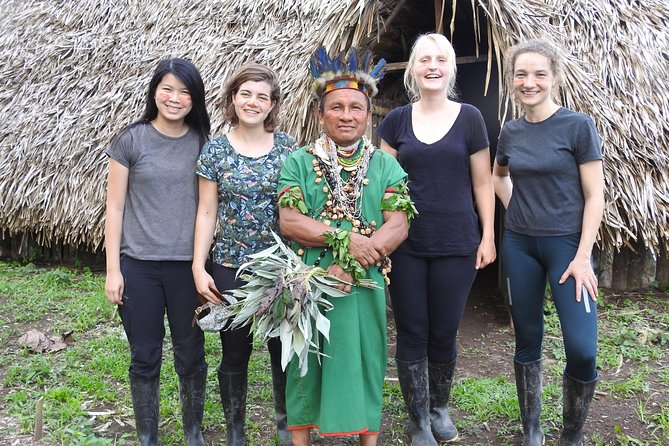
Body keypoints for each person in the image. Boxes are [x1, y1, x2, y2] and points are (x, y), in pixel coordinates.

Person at [277, 47, 414, 446]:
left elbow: (399, 223)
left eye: (356, 107)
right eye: (336, 107)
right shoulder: (300, 162)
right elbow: (291, 221)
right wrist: (343, 237)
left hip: (365, 284)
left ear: (369, 115)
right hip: (309, 281)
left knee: (366, 359)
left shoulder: (385, 166)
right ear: (321, 115)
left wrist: (352, 263)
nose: (347, 115)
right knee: (305, 363)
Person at [376, 33, 496, 445]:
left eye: (440, 59)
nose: (432, 66)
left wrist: (488, 236)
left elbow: (483, 183)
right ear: (412, 69)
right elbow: (382, 189)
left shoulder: (471, 119)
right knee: (412, 329)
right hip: (404, 245)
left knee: (444, 330)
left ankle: (439, 407)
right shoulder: (394, 122)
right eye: (424, 59)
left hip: (457, 241)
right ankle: (418, 421)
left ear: (450, 68)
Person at [492, 39, 604, 446]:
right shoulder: (510, 131)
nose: (529, 82)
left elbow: (595, 195)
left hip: (568, 249)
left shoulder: (578, 126)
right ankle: (532, 431)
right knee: (527, 337)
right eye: (521, 74)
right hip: (520, 246)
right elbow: (499, 176)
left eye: (539, 73)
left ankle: (571, 434)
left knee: (582, 348)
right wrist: (516, 207)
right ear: (512, 81)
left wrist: (583, 257)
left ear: (553, 78)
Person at [104, 58, 211, 446]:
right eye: (167, 88)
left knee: (190, 353)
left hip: (187, 268)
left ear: (194, 99)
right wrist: (113, 270)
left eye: (184, 92)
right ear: (154, 91)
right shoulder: (130, 140)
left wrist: (201, 267)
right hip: (139, 268)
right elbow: (114, 208)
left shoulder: (203, 143)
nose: (175, 98)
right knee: (145, 355)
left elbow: (208, 207)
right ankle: (147, 436)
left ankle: (193, 433)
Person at [192, 63, 298, 446]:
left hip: (280, 269)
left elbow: (299, 209)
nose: (253, 102)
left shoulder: (289, 148)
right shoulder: (215, 151)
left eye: (262, 97)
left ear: (273, 105)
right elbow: (207, 211)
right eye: (246, 94)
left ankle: (286, 428)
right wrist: (198, 266)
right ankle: (236, 432)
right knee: (234, 353)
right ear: (233, 99)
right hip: (230, 266)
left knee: (281, 351)